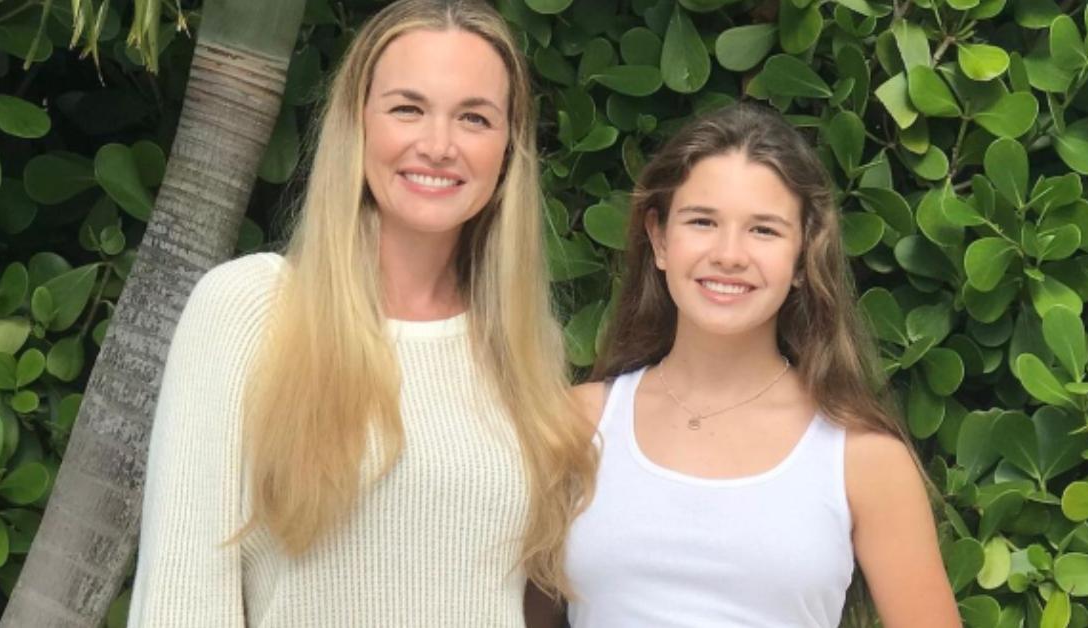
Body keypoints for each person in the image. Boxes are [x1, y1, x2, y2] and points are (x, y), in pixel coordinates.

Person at [128, 1, 595, 625]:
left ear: (508, 150)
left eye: (475, 118)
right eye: (408, 108)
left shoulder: (524, 349)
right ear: (357, 124)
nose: (438, 145)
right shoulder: (250, 309)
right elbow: (180, 600)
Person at [562, 104, 960, 627]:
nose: (729, 254)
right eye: (702, 221)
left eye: (764, 231)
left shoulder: (863, 459)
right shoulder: (576, 425)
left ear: (804, 256)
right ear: (660, 239)